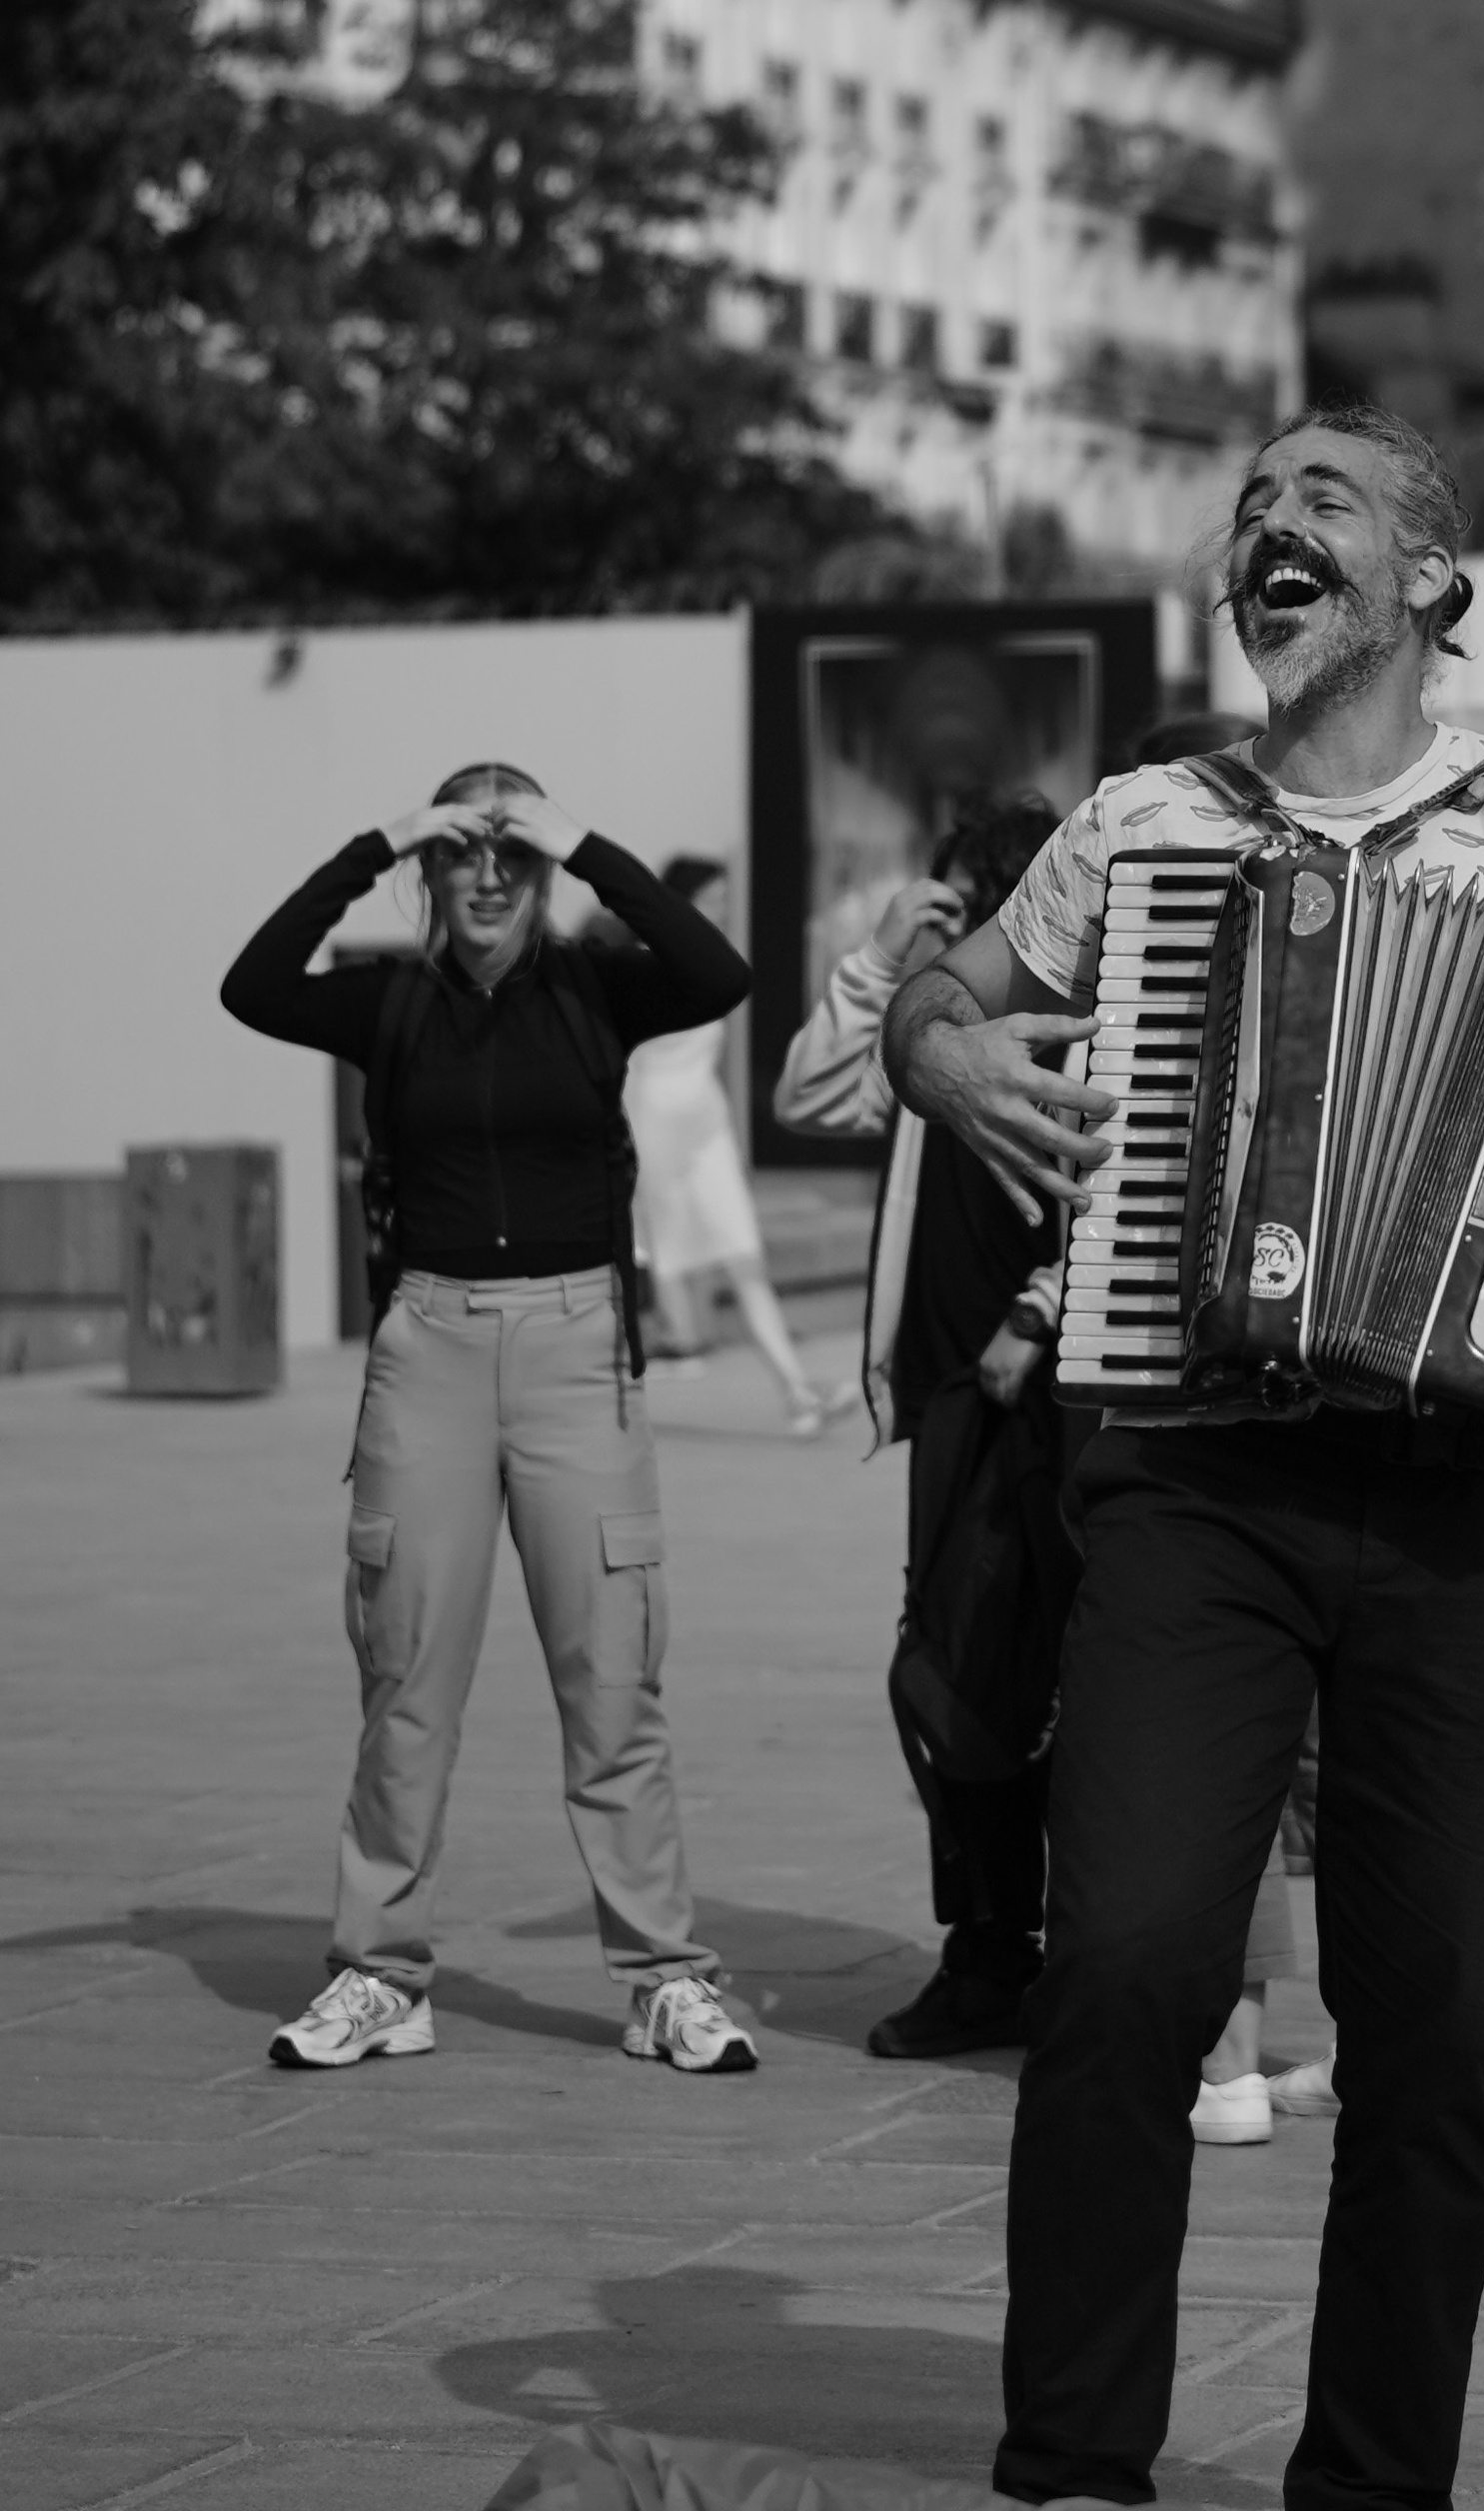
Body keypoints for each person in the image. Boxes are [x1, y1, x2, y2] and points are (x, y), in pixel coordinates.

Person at [879, 397, 1484, 2511]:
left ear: (1426, 583)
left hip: (1456, 1489)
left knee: (1444, 2029)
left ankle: (1370, 2482)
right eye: (1252, 501)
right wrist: (951, 1056)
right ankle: (1073, 2462)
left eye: (1321, 499)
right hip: (1178, 1471)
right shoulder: (1144, 819)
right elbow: (943, 998)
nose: (1271, 523)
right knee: (1132, 1970)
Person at [221, 766, 761, 2079]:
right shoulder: (387, 1000)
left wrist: (576, 842)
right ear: (428, 873)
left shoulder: (597, 989)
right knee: (405, 1680)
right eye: (461, 857)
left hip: (581, 1350)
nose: (485, 879)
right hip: (430, 1351)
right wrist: (382, 837)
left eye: (509, 859)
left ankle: (664, 1979)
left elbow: (718, 970)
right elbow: (253, 983)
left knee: (612, 1679)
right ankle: (379, 1973)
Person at [777, 793, 1069, 2060]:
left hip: (1055, 1407)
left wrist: (1039, 1314)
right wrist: (884, 964)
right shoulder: (933, 1052)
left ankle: (1029, 1953)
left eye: (974, 906)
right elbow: (808, 1090)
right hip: (955, 1410)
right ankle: (995, 1950)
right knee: (950, 1682)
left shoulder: (1079, 1029)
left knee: (1030, 1687)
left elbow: (1151, 1189)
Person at [631, 856, 856, 1439]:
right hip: (650, 1126)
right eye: (713, 897)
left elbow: (715, 1063)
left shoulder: (719, 965)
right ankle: (606, 1393)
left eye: (726, 897)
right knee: (653, 1263)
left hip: (706, 1128)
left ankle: (797, 1390)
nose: (725, 907)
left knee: (744, 1255)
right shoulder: (636, 965)